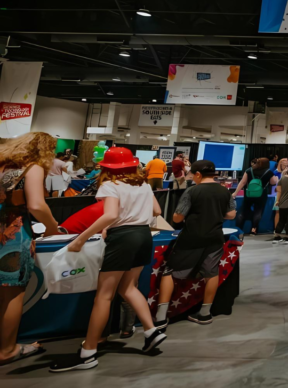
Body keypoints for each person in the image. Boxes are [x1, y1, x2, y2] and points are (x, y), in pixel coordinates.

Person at [49, 147, 166, 372]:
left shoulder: (110, 185)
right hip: (143, 236)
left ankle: (88, 352)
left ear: (107, 167)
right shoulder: (142, 184)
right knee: (129, 287)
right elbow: (157, 210)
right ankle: (151, 331)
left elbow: (110, 215)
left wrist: (80, 240)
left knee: (103, 296)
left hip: (123, 238)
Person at [0, 132, 61, 365]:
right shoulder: (32, 168)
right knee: (12, 294)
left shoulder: (2, 166)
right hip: (13, 237)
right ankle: (7, 350)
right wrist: (52, 226)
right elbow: (36, 205)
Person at [153, 160, 235, 330]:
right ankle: (205, 313)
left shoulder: (192, 191)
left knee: (170, 271)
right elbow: (231, 214)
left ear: (198, 174)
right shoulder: (224, 191)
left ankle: (160, 317)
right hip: (215, 238)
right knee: (211, 272)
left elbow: (177, 217)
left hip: (191, 237)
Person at [234, 157, 277, 239]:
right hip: (261, 194)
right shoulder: (268, 172)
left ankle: (238, 229)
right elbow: (272, 182)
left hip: (249, 194)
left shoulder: (249, 170)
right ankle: (253, 229)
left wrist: (235, 193)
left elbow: (243, 182)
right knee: (258, 211)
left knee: (243, 211)